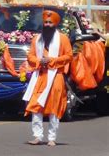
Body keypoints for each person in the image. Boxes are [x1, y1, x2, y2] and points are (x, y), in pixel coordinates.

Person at [22, 10, 72, 147]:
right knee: (35, 106)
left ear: (55, 24)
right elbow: (30, 56)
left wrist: (52, 60)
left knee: (54, 108)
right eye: (45, 22)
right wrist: (39, 61)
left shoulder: (63, 38)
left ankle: (52, 137)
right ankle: (37, 136)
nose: (48, 24)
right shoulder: (37, 39)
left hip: (56, 77)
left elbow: (69, 56)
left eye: (50, 22)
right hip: (40, 76)